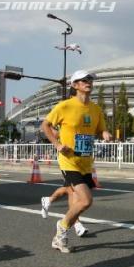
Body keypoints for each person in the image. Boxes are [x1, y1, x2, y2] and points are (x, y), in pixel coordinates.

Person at [41, 70, 111, 253]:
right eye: (84, 80)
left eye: (90, 80)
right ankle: (62, 227)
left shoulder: (96, 109)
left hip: (86, 162)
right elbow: (45, 125)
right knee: (86, 201)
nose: (89, 82)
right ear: (75, 85)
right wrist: (57, 144)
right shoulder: (65, 106)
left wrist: (104, 133)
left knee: (76, 200)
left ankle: (61, 236)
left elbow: (100, 129)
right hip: (68, 160)